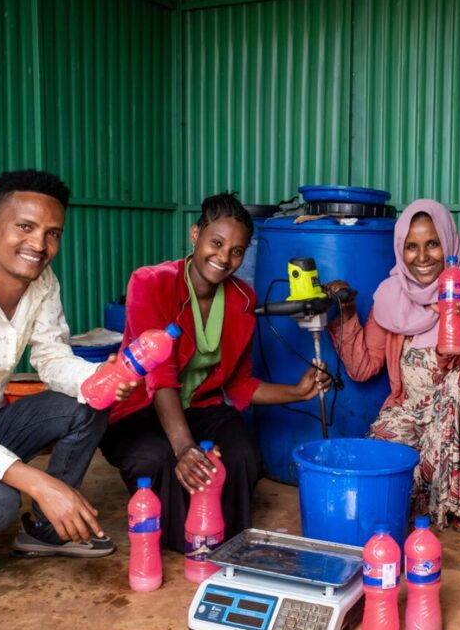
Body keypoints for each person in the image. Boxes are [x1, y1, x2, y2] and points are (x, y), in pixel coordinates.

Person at [0, 169, 133, 592]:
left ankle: (46, 531)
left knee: (88, 404)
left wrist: (98, 378)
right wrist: (40, 483)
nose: (39, 245)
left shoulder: (42, 283)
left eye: (52, 233)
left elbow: (51, 358)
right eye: (25, 227)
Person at [100, 192, 331, 553]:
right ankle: (189, 543)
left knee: (243, 455)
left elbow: (239, 385)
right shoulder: (151, 282)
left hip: (198, 407)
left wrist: (298, 392)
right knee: (156, 459)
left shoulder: (242, 299)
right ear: (196, 235)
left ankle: (227, 543)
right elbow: (159, 375)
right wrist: (184, 447)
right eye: (217, 243)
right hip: (139, 408)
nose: (224, 258)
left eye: (237, 251)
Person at [325, 199, 460, 531]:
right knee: (378, 469)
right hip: (410, 409)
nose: (422, 257)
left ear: (449, 243)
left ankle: (455, 504)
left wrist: (458, 330)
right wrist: (346, 313)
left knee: (458, 383)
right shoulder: (391, 294)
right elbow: (363, 368)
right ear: (400, 249)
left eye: (432, 244)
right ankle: (421, 496)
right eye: (411, 247)